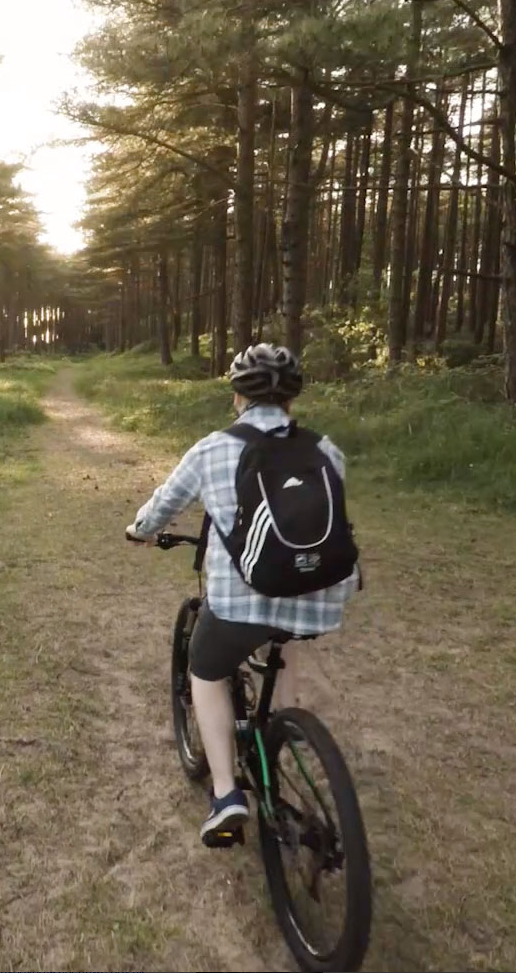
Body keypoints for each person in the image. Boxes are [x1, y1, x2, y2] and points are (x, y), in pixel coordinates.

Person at [125, 343, 357, 847]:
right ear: (292, 400)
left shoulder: (212, 448)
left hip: (238, 602)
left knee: (206, 671)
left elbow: (162, 505)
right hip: (318, 595)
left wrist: (140, 530)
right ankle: (286, 727)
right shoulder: (327, 450)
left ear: (237, 396)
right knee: (284, 635)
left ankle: (227, 794)